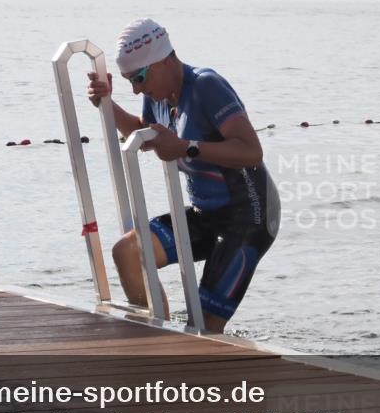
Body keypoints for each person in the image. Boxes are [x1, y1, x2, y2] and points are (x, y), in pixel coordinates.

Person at [86, 18, 280, 333]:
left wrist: (186, 147)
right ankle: (156, 338)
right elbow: (146, 134)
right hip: (206, 214)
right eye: (129, 81)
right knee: (128, 253)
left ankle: (202, 361)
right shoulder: (157, 95)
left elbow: (251, 151)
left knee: (202, 327)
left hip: (249, 217)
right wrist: (106, 105)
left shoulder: (206, 86)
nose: (137, 89)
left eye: (139, 78)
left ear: (163, 61)